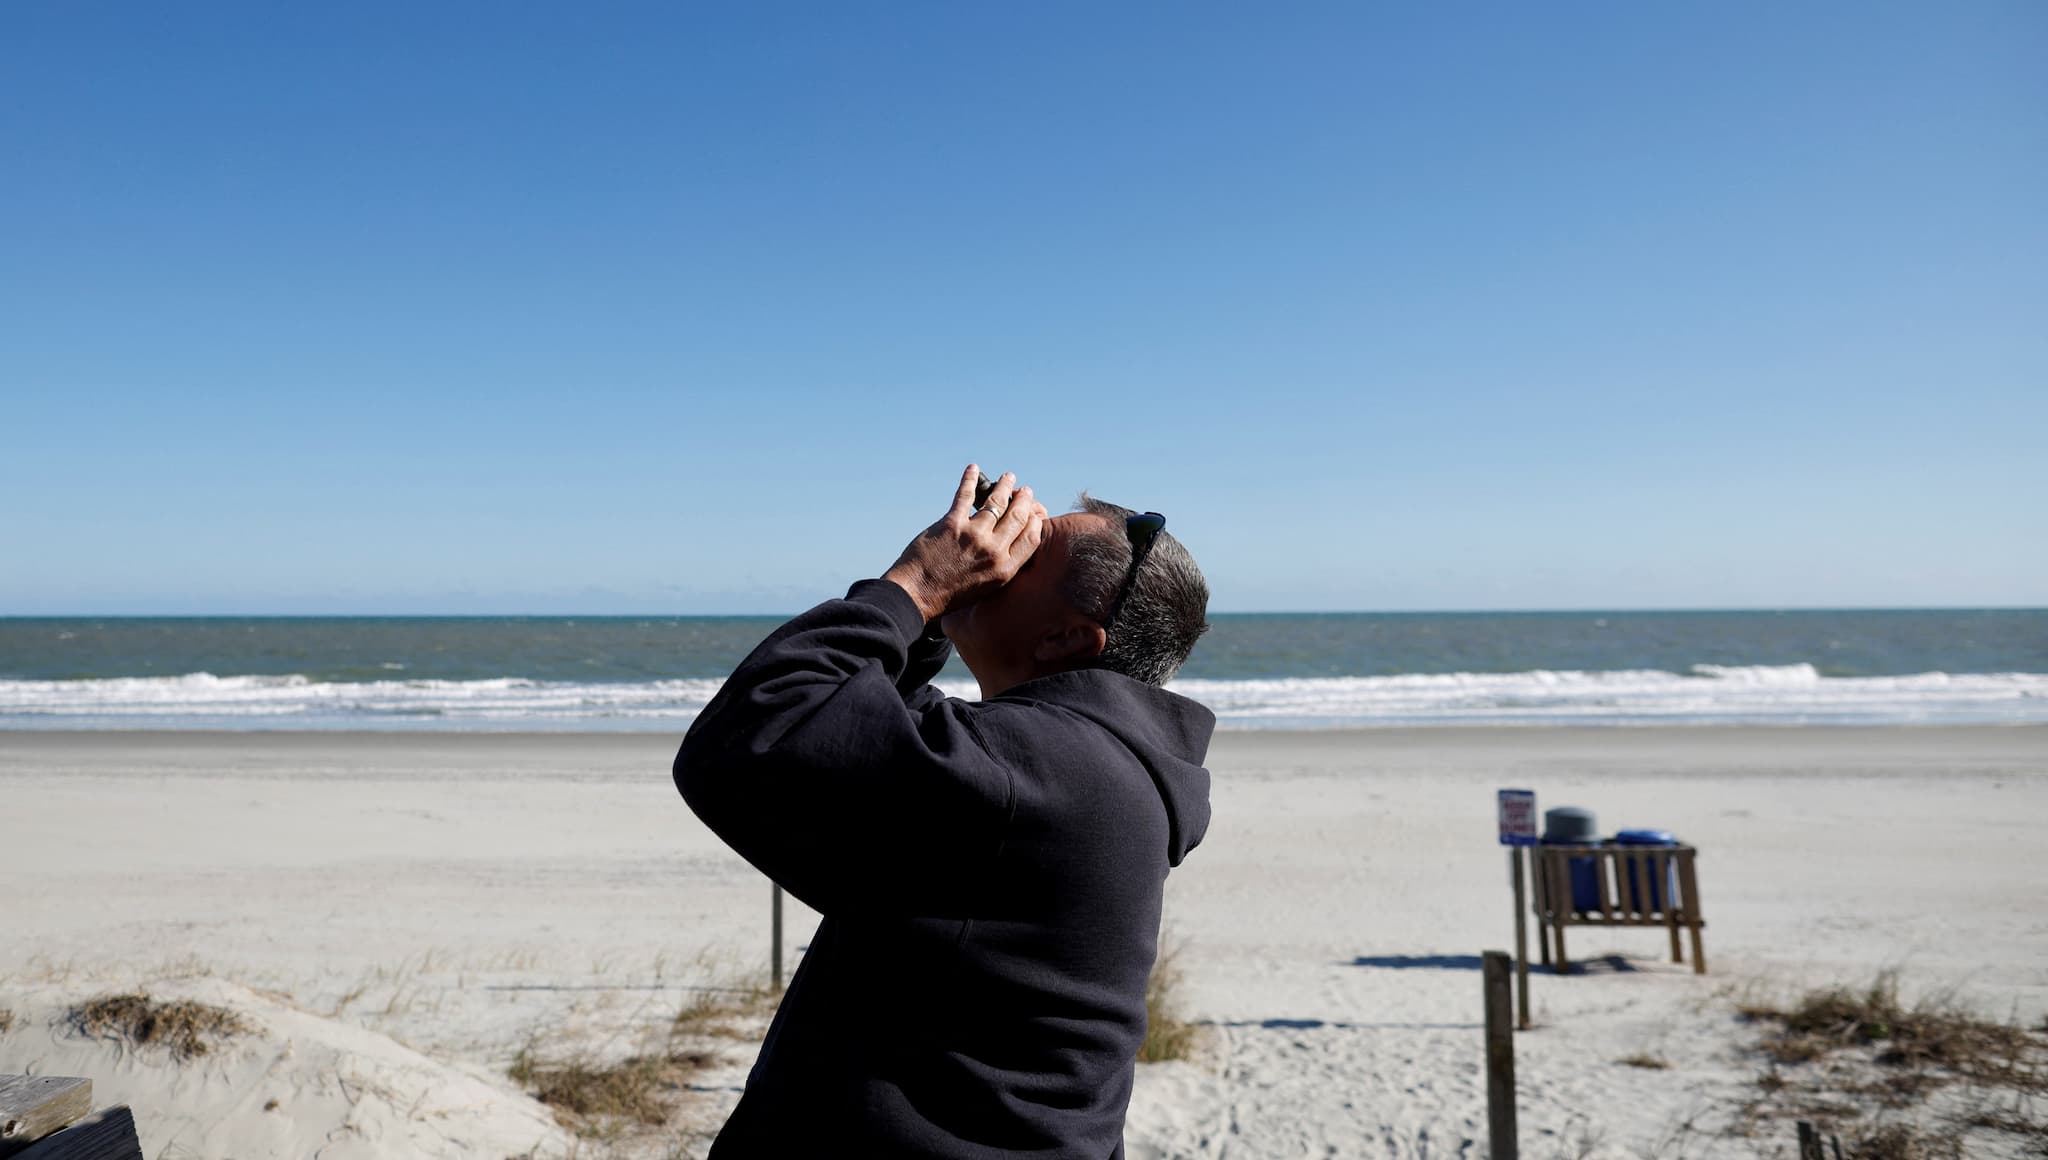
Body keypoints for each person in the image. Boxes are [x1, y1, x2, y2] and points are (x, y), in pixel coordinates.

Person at [673, 464, 1214, 1158]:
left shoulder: (1031, 770)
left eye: (1024, 555)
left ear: (1066, 641)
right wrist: (932, 623)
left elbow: (751, 736)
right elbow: (871, 722)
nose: (994, 558)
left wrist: (921, 586)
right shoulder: (1099, 766)